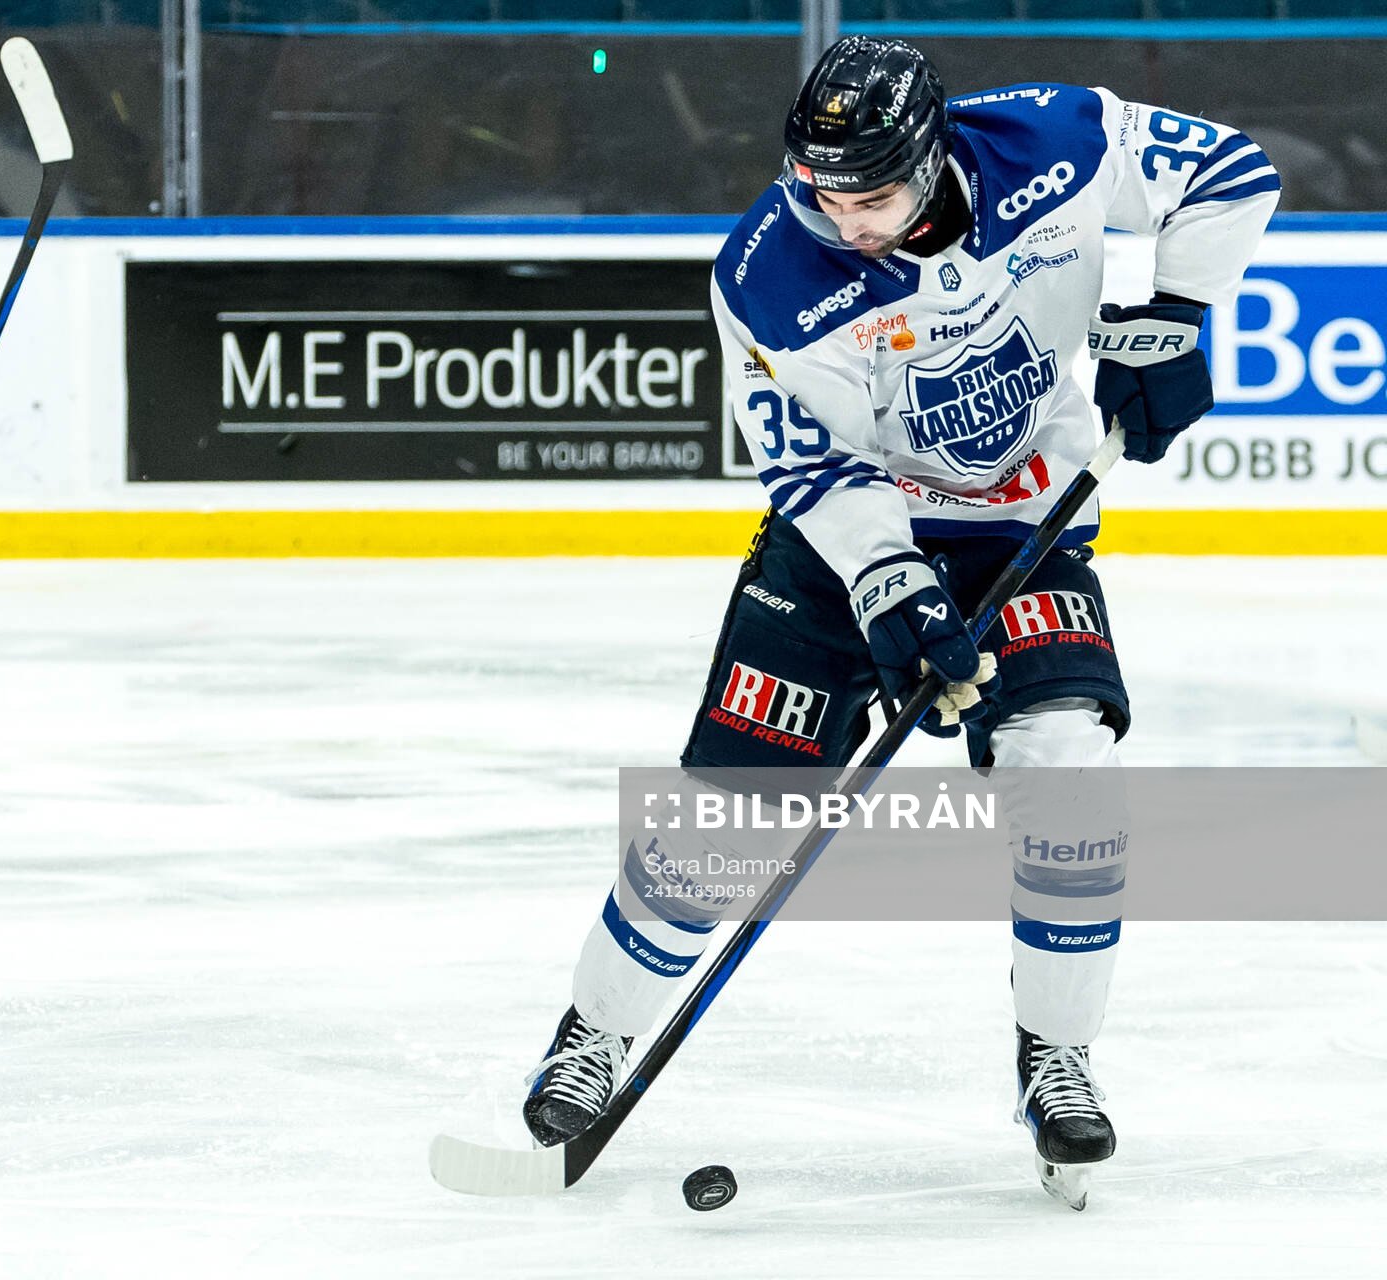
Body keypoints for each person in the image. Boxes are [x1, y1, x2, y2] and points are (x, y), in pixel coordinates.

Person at [521, 38, 1279, 1206]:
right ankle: (598, 1031)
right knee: (733, 810)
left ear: (930, 162)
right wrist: (893, 588)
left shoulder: (1055, 139)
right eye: (822, 189)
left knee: (1068, 772)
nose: (844, 217)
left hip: (1022, 523)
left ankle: (1057, 1057)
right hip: (841, 547)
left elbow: (1230, 172)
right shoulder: (768, 272)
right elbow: (815, 469)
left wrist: (1177, 314)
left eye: (870, 194)